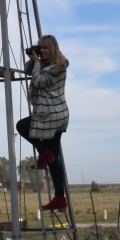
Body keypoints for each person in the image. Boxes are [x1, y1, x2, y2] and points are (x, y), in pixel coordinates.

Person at [16, 34, 69, 211]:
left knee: (22, 126)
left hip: (52, 116)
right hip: (48, 116)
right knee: (54, 159)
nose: (43, 51)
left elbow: (38, 81)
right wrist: (33, 60)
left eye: (46, 48)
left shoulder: (58, 67)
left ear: (53, 49)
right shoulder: (44, 65)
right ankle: (60, 198)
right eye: (41, 48)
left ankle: (44, 154)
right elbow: (28, 71)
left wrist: (37, 63)